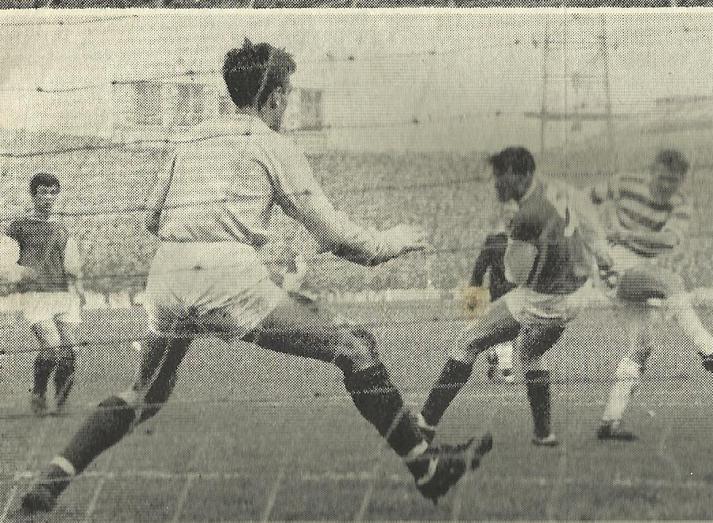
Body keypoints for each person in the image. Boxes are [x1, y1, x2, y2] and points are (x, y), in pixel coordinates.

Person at [21, 39, 491, 513]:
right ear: (276, 96)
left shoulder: (192, 137)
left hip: (167, 275)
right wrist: (392, 240)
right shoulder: (273, 145)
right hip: (228, 278)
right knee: (355, 347)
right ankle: (427, 470)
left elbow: (151, 218)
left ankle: (53, 478)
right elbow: (340, 238)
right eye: (287, 94)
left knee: (144, 394)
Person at [416, 146, 604, 448]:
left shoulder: (526, 216)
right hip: (576, 295)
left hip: (543, 299)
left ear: (522, 175)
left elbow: (515, 274)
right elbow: (587, 223)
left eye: (501, 177)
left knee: (467, 341)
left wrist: (511, 243)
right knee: (530, 353)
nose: (496, 185)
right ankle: (543, 434)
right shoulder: (557, 191)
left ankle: (424, 425)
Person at [593, 149, 713, 440]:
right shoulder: (624, 183)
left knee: (642, 347)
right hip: (613, 262)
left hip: (639, 265)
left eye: (673, 181)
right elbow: (584, 200)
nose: (666, 185)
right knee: (671, 281)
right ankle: (710, 350)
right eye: (662, 178)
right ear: (651, 171)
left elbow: (669, 240)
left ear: (682, 181)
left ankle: (610, 421)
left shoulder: (681, 205)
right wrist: (594, 231)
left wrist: (627, 234)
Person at [3, 172, 85, 416]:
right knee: (51, 346)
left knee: (70, 351)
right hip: (35, 296)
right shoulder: (18, 227)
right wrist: (18, 271)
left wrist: (78, 289)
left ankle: (60, 403)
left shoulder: (62, 229)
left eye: (52, 193)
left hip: (62, 295)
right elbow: (5, 258)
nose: (48, 198)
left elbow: (72, 267)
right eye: (43, 193)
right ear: (33, 195)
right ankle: (38, 394)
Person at [464, 225, 516, 384]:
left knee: (505, 329)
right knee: (509, 330)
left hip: (498, 293)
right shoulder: (524, 241)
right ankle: (506, 370)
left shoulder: (493, 242)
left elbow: (478, 271)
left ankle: (494, 353)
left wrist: (472, 296)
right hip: (515, 293)